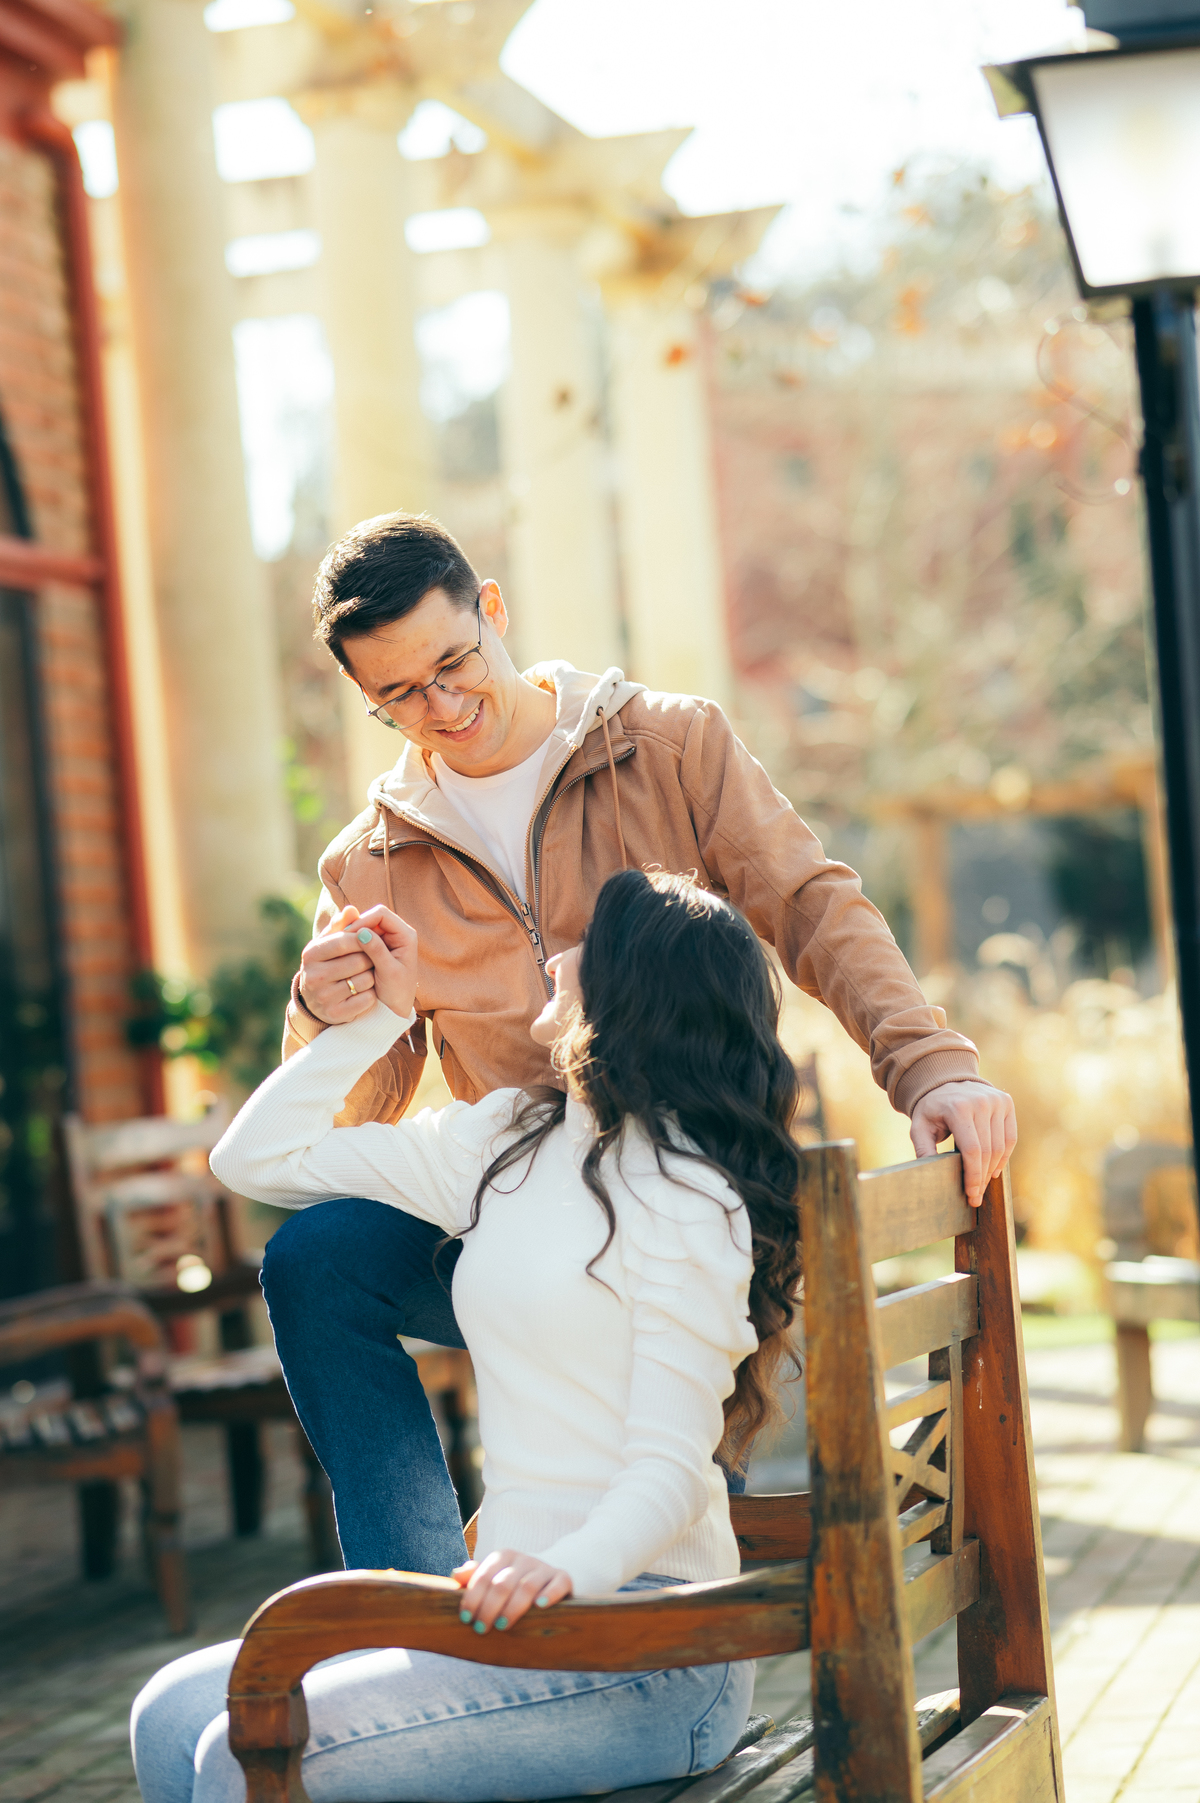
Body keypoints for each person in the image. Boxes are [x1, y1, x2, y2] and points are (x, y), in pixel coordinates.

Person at [264, 510, 1016, 1575]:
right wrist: (323, 1018)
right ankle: (412, 1597)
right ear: (365, 697)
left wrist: (930, 1065)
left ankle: (672, 1596)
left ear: (493, 609)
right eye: (400, 696)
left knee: (664, 1502)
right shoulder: (369, 863)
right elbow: (358, 1117)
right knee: (315, 1261)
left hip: (687, 1201)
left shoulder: (668, 745)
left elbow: (810, 906)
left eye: (454, 663)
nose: (443, 707)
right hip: (520, 1215)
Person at [132, 870, 804, 1803]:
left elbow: (669, 1473)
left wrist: (560, 1569)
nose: (555, 959)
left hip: (651, 1648)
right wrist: (376, 1025)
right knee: (166, 1708)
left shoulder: (693, 1199)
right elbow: (253, 1159)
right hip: (514, 1621)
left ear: (636, 990)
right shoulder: (513, 1137)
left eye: (585, 947)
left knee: (231, 1750)